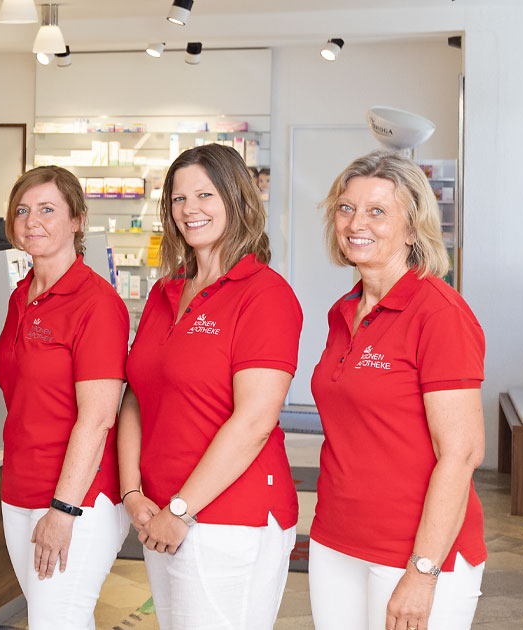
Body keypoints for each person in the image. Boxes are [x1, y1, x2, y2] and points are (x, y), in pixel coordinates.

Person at [117, 143, 301, 630]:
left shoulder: (265, 295)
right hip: (160, 511)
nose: (189, 209)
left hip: (228, 516)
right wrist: (133, 491)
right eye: (178, 199)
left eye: (205, 195)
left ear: (237, 200)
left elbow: (255, 421)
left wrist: (181, 509)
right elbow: (136, 392)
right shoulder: (164, 292)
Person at [308, 151, 485, 630]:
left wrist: (423, 571)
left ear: (413, 227)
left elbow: (462, 453)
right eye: (346, 208)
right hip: (335, 540)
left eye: (377, 211)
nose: (355, 222)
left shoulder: (440, 314)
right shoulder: (344, 310)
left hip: (415, 552)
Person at [0, 167, 130, 630]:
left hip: (79, 497)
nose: (32, 220)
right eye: (23, 210)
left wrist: (64, 509)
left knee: (56, 621)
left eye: (48, 209)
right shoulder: (19, 296)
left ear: (77, 220)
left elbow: (98, 418)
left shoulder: (97, 303)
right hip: (20, 488)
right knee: (60, 619)